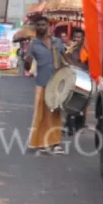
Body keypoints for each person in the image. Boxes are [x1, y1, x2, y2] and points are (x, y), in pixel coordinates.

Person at [24, 16, 66, 155]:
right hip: (41, 83)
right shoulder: (33, 45)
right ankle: (41, 142)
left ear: (48, 26)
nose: (41, 27)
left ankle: (56, 143)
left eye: (43, 24)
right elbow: (27, 65)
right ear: (35, 27)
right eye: (38, 25)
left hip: (57, 83)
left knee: (55, 113)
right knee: (41, 114)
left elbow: (65, 60)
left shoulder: (57, 42)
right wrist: (27, 61)